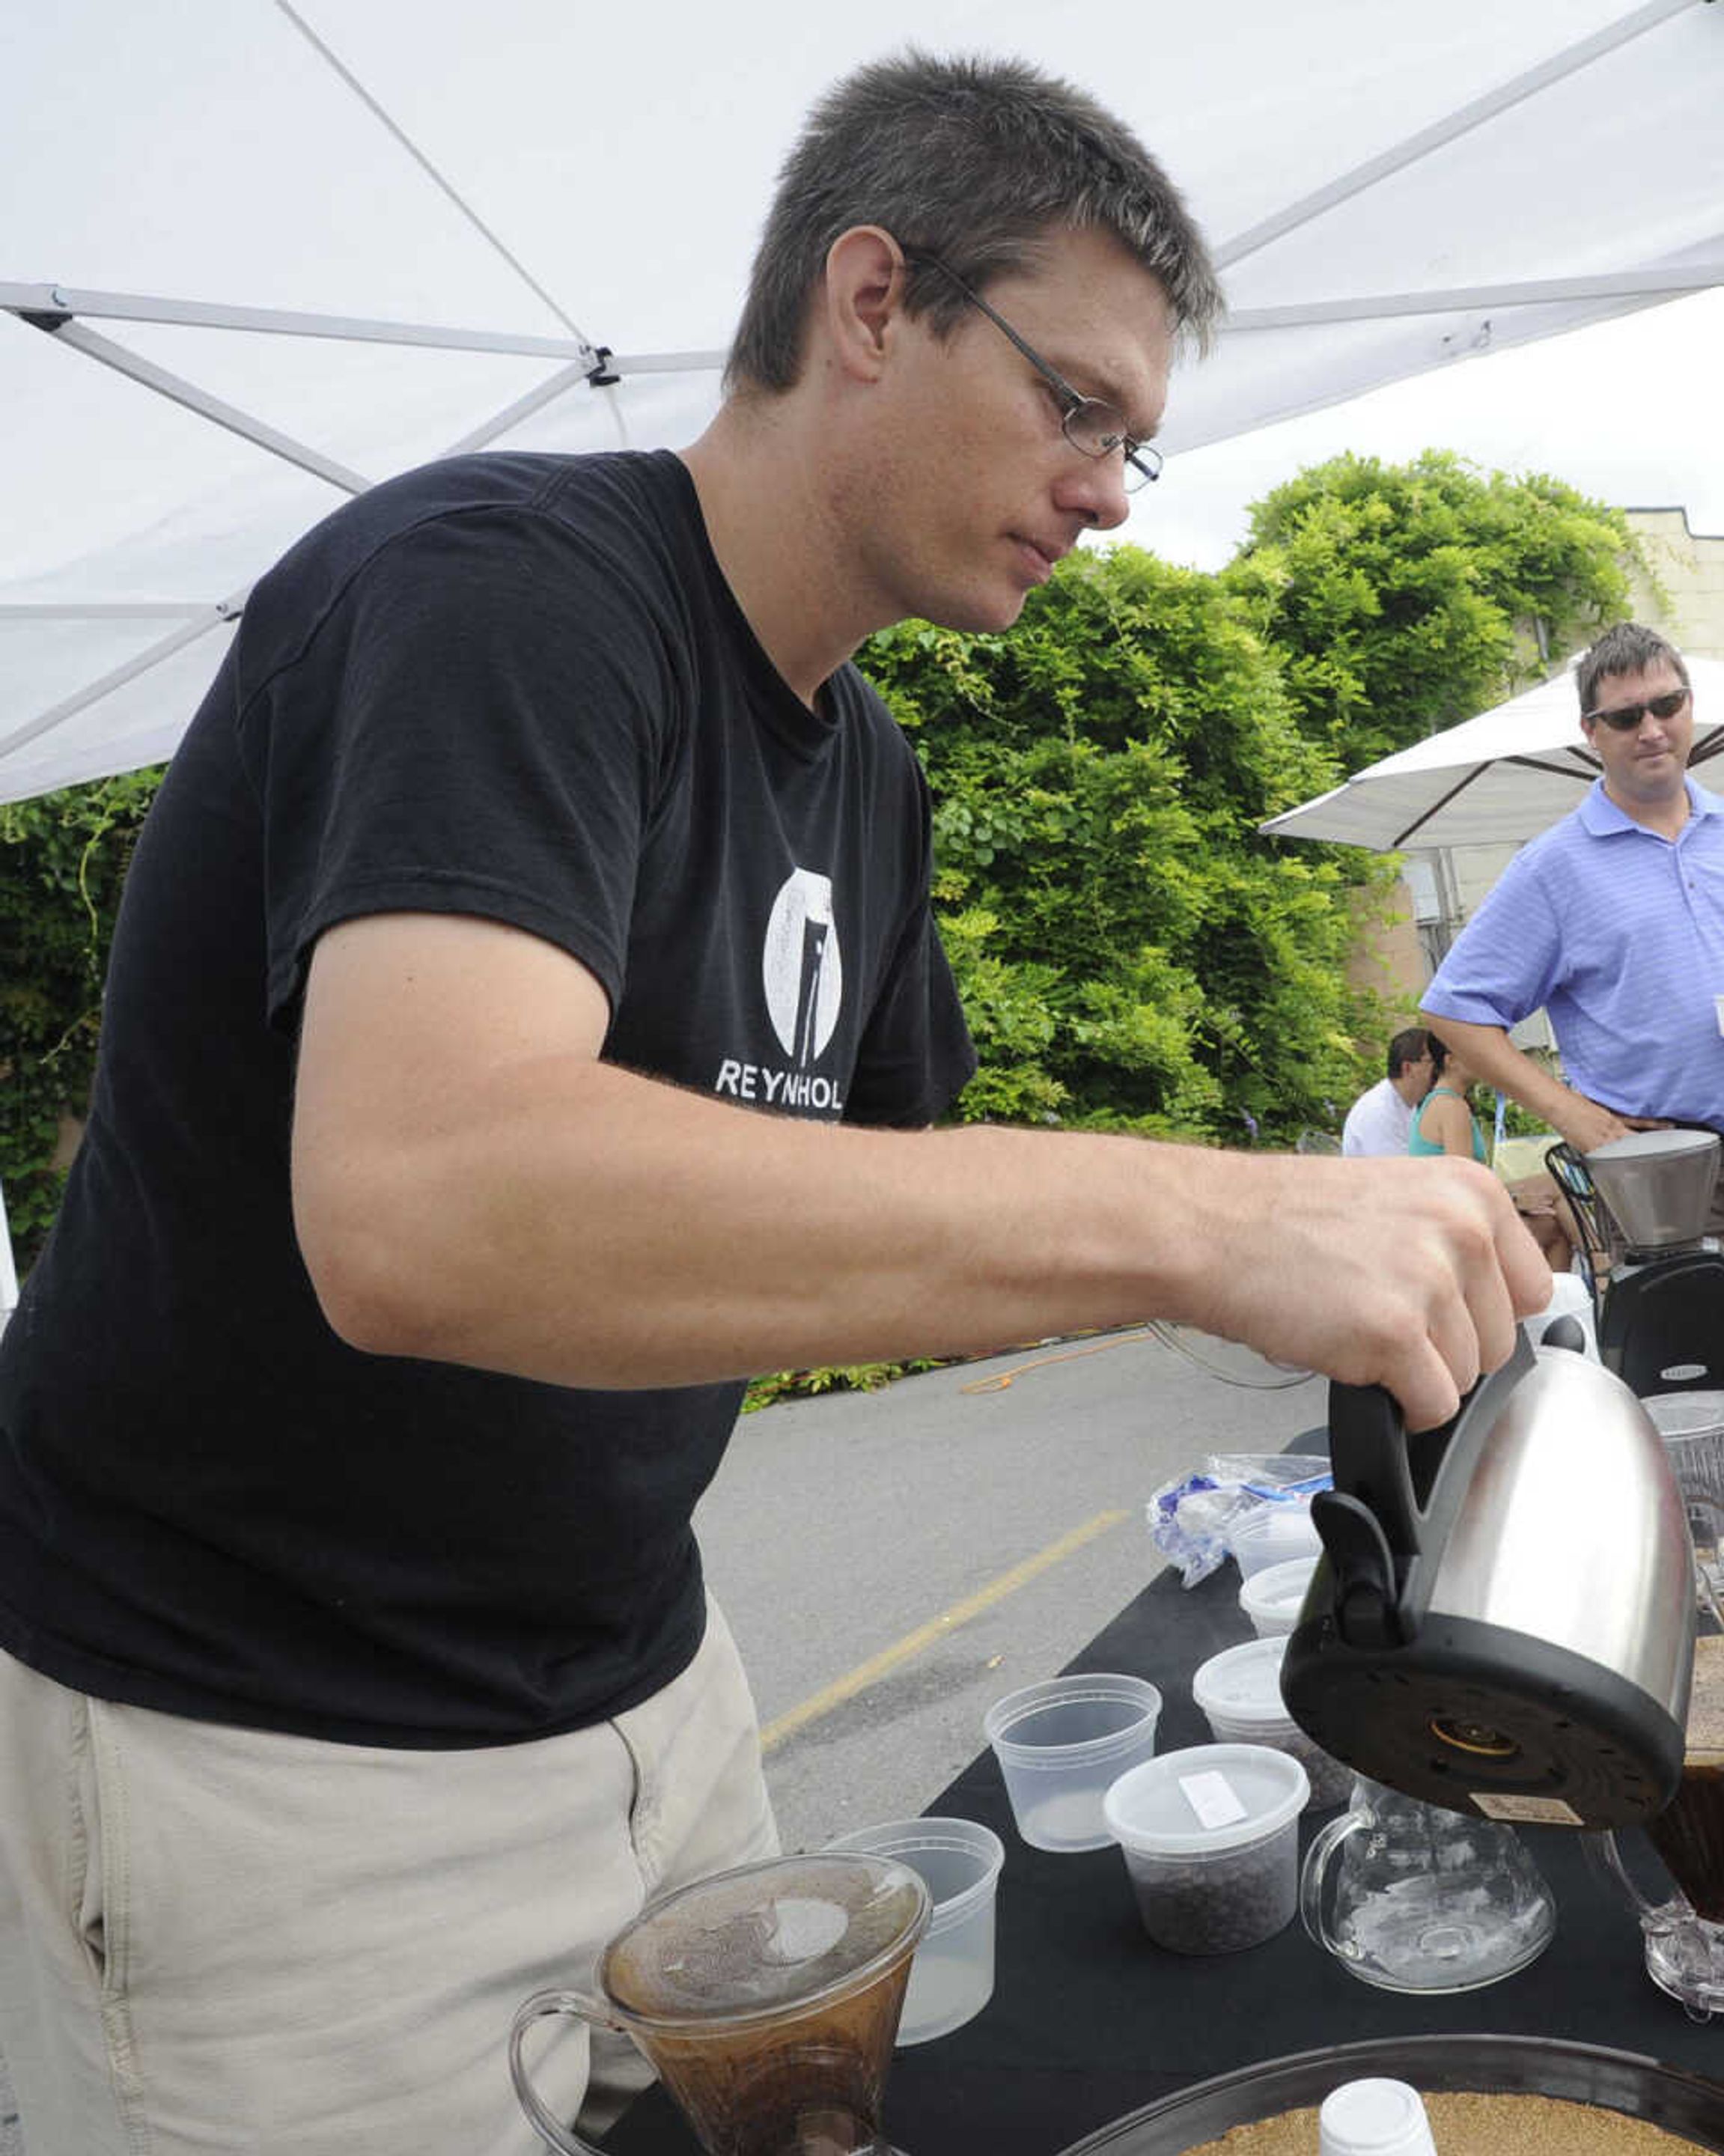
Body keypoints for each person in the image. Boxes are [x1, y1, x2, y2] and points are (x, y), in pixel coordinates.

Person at [0, 55, 1547, 2156]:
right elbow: (425, 1204)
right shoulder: (501, 592)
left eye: (1136, 446)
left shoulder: (866, 769)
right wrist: (1204, 1216)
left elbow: (883, 1218)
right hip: (266, 1767)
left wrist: (1328, 1273)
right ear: (871, 297)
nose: (1105, 486)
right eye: (1074, 403)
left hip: (654, 1693)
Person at [1419, 624, 1724, 1395]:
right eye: (1626, 716)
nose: (1653, 728)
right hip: (1666, 1172)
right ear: (1590, 734)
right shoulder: (1554, 868)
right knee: (1698, 1396)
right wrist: (1574, 1117)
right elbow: (1455, 1010)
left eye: (1667, 704)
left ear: (1690, 706)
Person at [1340, 1026, 1443, 1157]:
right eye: (1432, 1062)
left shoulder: (1407, 1104)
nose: (1439, 1070)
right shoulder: (1378, 1111)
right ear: (1408, 1068)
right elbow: (1398, 1172)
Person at [1407, 1053, 1486, 1160]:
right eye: (1475, 1053)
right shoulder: (1451, 1106)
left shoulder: (1435, 1100)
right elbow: (1462, 1174)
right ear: (1450, 1060)